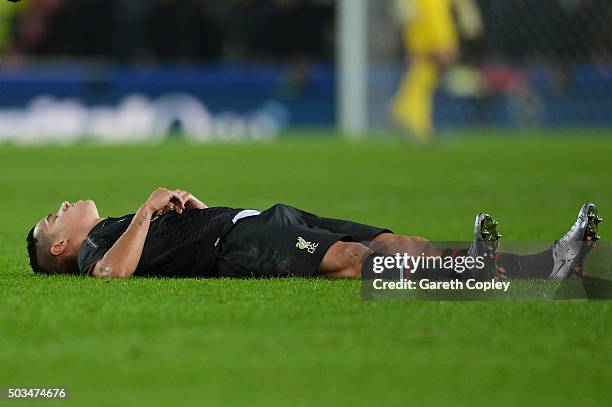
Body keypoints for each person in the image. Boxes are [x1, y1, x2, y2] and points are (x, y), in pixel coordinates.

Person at [26, 187, 601, 280]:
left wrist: (187, 208)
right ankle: (529, 269)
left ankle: (509, 260)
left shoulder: (112, 227)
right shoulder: (97, 247)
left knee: (397, 242)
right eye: (53, 217)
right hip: (243, 244)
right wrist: (152, 207)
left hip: (261, 217)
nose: (63, 205)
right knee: (353, 259)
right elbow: (109, 275)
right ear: (60, 246)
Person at [391, 0, 482, 141]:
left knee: (423, 77)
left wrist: (466, 12)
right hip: (429, 31)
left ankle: (407, 115)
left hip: (428, 30)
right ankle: (411, 120)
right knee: (423, 77)